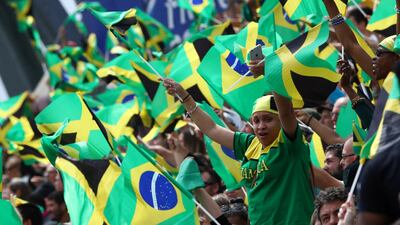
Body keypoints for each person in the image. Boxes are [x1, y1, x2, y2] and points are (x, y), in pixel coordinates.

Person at [163, 78, 316, 225]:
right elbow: (212, 129)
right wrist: (184, 96)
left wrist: (269, 71)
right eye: (256, 120)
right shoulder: (250, 144)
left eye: (268, 119)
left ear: (281, 120)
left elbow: (287, 112)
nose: (261, 126)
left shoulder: (290, 143)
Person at [322, 0, 400, 82]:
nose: (373, 58)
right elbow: (350, 43)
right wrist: (347, 87)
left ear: (396, 58)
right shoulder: (385, 82)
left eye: (380, 53)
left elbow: (351, 44)